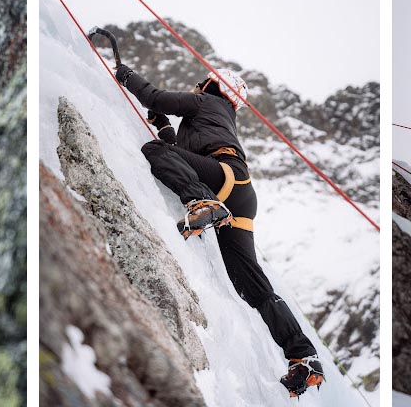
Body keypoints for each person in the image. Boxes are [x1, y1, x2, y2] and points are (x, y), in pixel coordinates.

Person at [114, 61, 325, 397]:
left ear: (212, 86)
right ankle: (303, 355)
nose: (198, 86)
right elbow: (185, 155)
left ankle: (202, 204)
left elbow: (153, 96)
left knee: (154, 152)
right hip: (240, 189)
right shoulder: (220, 116)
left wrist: (126, 76)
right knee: (252, 285)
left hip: (222, 178)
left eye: (203, 82)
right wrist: (165, 126)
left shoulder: (202, 102)